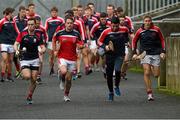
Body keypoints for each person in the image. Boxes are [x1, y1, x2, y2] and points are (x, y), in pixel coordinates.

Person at [132, 15, 166, 101]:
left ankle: (151, 66)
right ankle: (149, 93)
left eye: (149, 21)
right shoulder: (140, 31)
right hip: (145, 53)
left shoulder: (156, 29)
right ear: (143, 22)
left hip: (155, 53)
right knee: (146, 72)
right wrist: (134, 53)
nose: (147, 22)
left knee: (156, 75)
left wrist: (162, 52)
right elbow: (134, 41)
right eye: (146, 21)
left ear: (151, 21)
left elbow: (162, 40)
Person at [14, 18, 46, 104]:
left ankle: (30, 95)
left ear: (35, 25)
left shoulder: (38, 34)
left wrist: (42, 50)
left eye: (32, 24)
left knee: (34, 79)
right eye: (28, 24)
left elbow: (43, 46)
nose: (30, 26)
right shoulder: (23, 33)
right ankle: (22, 72)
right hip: (25, 59)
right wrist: (17, 50)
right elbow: (16, 43)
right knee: (27, 76)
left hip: (35, 59)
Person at [98, 17, 130, 101]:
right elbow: (99, 41)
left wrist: (127, 43)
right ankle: (111, 92)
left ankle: (116, 86)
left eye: (116, 26)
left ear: (119, 24)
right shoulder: (106, 32)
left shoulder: (124, 29)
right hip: (109, 55)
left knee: (118, 70)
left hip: (120, 54)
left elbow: (127, 38)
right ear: (110, 24)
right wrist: (106, 47)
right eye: (113, 26)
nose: (115, 28)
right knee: (109, 74)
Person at [52, 16, 83, 102]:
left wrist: (81, 46)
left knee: (69, 79)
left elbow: (80, 43)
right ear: (65, 24)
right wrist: (54, 50)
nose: (69, 25)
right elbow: (54, 39)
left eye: (71, 23)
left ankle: (66, 95)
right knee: (64, 71)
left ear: (73, 24)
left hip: (72, 58)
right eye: (68, 23)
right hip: (62, 57)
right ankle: (61, 78)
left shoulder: (76, 34)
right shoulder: (60, 33)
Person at [0, 7, 19, 82]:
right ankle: (2, 76)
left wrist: (20, 39)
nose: (13, 14)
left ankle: (9, 76)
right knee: (5, 59)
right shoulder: (2, 21)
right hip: (3, 43)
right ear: (9, 13)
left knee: (11, 60)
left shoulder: (13, 22)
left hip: (11, 43)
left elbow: (17, 31)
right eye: (12, 13)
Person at [45, 6, 64, 76]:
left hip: (58, 40)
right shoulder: (48, 20)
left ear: (57, 13)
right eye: (52, 12)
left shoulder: (61, 20)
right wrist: (46, 40)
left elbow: (63, 29)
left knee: (58, 55)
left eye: (55, 12)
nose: (54, 13)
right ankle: (51, 69)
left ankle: (59, 69)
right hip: (50, 40)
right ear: (51, 13)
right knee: (51, 56)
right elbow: (45, 30)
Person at [13, 6, 28, 78]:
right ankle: (18, 70)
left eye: (24, 12)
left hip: (24, 40)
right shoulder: (15, 19)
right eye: (22, 12)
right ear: (19, 11)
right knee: (15, 57)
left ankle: (22, 72)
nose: (23, 13)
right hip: (16, 40)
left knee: (22, 55)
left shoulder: (27, 19)